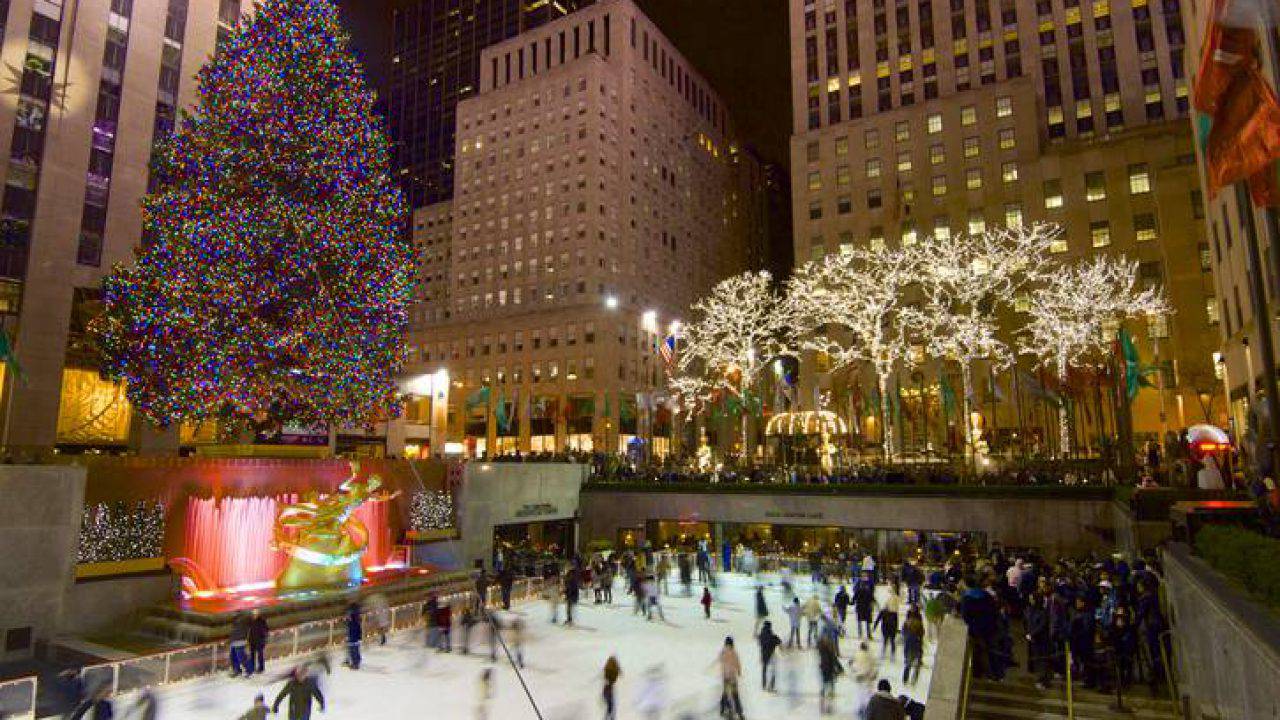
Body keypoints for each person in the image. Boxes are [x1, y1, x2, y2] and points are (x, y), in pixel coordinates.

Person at [717, 636, 744, 720]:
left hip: (726, 677)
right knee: (734, 694)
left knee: (726, 694)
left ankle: (725, 709)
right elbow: (737, 663)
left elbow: (721, 662)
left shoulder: (723, 652)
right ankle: (738, 711)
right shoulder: (734, 653)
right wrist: (739, 671)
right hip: (731, 677)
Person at [817, 635, 842, 714]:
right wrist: (840, 669)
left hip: (824, 670)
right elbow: (834, 660)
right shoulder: (829, 651)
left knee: (825, 684)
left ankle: (823, 698)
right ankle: (829, 702)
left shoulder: (822, 651)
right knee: (830, 685)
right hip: (829, 670)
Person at [875, 585, 902, 657]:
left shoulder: (885, 612)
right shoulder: (893, 613)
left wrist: (875, 626)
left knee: (886, 641)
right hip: (890, 628)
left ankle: (885, 653)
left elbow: (878, 619)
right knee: (891, 641)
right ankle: (891, 654)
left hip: (886, 628)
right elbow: (896, 621)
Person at [901, 609, 926, 685]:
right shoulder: (919, 624)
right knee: (917, 664)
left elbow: (903, 633)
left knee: (908, 663)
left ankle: (905, 679)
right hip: (917, 644)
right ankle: (914, 680)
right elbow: (922, 634)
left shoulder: (906, 622)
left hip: (908, 643)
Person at [758, 620, 782, 692]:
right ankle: (771, 686)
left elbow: (760, 642)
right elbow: (779, 642)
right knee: (772, 671)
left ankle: (764, 685)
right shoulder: (772, 636)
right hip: (771, 655)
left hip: (763, 655)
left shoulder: (761, 635)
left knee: (764, 670)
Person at [853, 572, 877, 639]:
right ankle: (864, 634)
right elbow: (872, 596)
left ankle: (863, 634)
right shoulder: (864, 588)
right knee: (865, 622)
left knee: (864, 622)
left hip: (863, 607)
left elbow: (854, 597)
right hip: (865, 607)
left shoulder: (860, 588)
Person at [229, 611, 252, 677]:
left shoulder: (245, 620)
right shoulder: (235, 620)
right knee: (233, 657)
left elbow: (248, 629)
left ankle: (249, 671)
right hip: (234, 641)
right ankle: (237, 670)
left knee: (241, 657)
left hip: (240, 641)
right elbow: (233, 632)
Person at [248, 610, 269, 675]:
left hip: (260, 640)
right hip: (252, 640)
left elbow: (266, 630)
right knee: (252, 655)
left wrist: (263, 637)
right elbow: (250, 631)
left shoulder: (262, 621)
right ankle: (252, 667)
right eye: (254, 614)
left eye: (256, 614)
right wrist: (249, 639)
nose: (255, 615)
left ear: (258, 614)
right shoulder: (251, 621)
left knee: (260, 655)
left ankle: (261, 668)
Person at [343, 602, 363, 670]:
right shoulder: (355, 619)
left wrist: (349, 636)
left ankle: (355, 663)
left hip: (353, 637)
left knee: (353, 650)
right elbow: (358, 628)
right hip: (355, 637)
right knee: (355, 649)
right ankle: (355, 661)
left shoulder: (352, 620)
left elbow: (352, 628)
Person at [602, 656, 621, 720]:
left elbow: (605, 676)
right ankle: (610, 718)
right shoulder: (614, 669)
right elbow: (618, 674)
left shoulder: (607, 668)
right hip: (609, 689)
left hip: (606, 689)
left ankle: (609, 717)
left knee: (610, 706)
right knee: (611, 706)